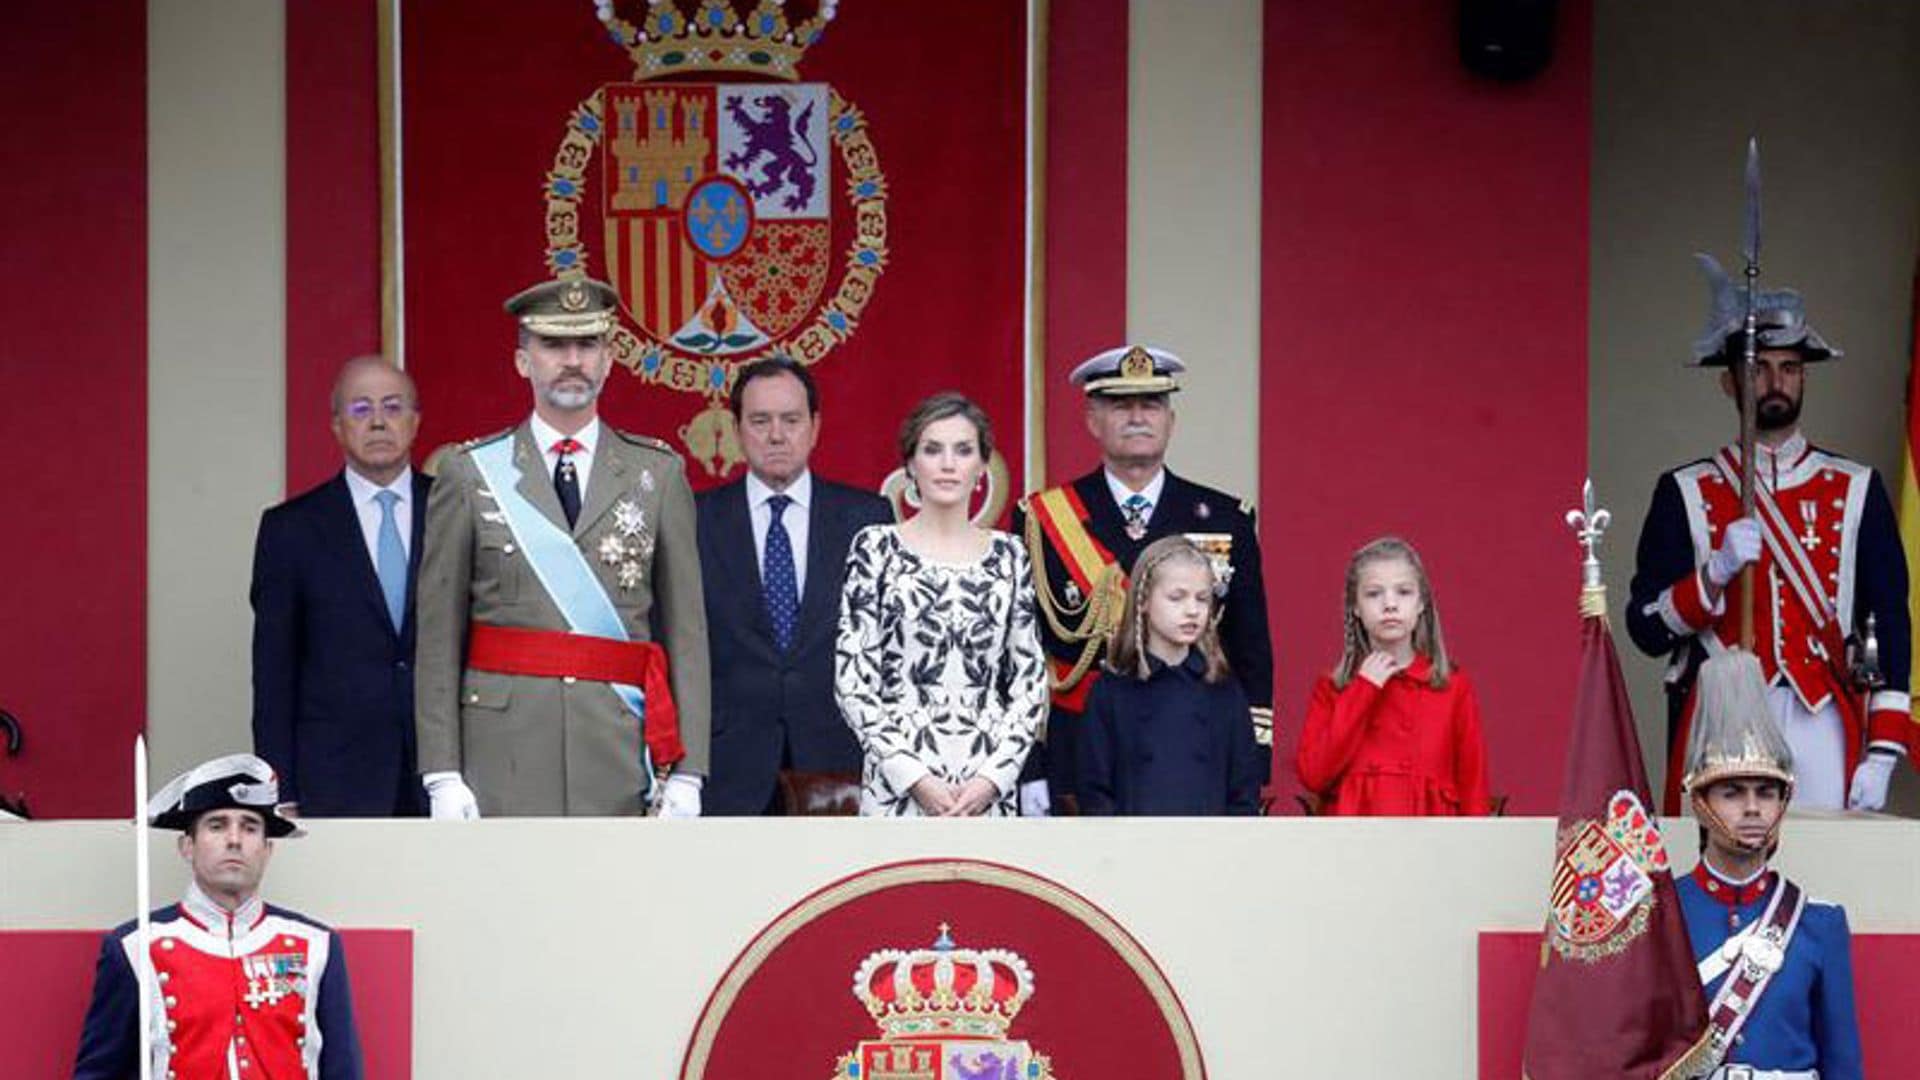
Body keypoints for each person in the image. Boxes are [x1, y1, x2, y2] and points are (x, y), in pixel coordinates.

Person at [413, 277, 710, 818]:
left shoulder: (657, 474)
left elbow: (687, 634)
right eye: (554, 345)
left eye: (588, 344)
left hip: (618, 747)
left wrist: (689, 773)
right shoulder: (470, 472)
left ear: (610, 358)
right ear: (523, 361)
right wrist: (441, 772)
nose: (573, 360)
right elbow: (438, 635)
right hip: (500, 751)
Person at [1627, 255, 1911, 813]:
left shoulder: (1856, 488)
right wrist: (1713, 575)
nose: (1776, 381)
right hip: (1721, 709)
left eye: (1789, 367)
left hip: (1822, 711)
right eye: (1759, 368)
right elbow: (1647, 628)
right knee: (1718, 868)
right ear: (1729, 381)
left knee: (1826, 873)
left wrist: (1883, 747)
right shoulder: (1684, 490)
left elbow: (1892, 619)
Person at [1015, 345, 1274, 814]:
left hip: (1197, 749)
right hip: (1078, 753)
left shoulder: (1224, 517)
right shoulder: (1041, 520)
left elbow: (1249, 649)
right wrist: (1031, 764)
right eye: (1120, 404)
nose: (1137, 417)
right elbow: (1022, 655)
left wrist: (1253, 761)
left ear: (1171, 421)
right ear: (1093, 419)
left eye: (1151, 404)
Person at [73, 754, 364, 1079]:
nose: (235, 839)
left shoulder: (317, 945)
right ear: (187, 846)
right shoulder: (134, 946)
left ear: (268, 850)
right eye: (217, 825)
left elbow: (343, 1070)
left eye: (250, 827)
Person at [834, 392, 1047, 817]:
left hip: (985, 785)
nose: (948, 464)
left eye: (963, 450)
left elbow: (1030, 682)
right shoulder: (875, 547)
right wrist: (914, 777)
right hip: (896, 785)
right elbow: (852, 679)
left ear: (983, 465)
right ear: (910, 464)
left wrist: (994, 777)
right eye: (933, 450)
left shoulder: (1011, 554)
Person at [697, 358, 892, 814]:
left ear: (815, 426)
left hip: (839, 765)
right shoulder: (696, 518)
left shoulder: (868, 518)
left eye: (791, 420)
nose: (777, 435)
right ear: (738, 427)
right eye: (760, 421)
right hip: (727, 766)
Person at [249, 356, 428, 817]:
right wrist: (278, 790)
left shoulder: (456, 509)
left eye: (392, 406)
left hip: (443, 772)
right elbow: (274, 673)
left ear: (415, 420)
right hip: (336, 774)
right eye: (360, 409)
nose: (378, 422)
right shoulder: (291, 529)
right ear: (336, 426)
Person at [1675, 651, 1863, 1078]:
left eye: (1766, 792)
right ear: (1701, 804)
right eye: (1733, 792)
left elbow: (1842, 1063)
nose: (1753, 807)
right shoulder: (1662, 914)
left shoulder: (1819, 923)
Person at [1294, 537, 1490, 816]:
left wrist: (1476, 851)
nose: (1390, 604)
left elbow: (1473, 784)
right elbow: (1314, 774)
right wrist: (1364, 689)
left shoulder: (1451, 686)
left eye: (1403, 592)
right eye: (1374, 594)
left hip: (1431, 842)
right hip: (1354, 841)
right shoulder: (1335, 686)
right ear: (1355, 608)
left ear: (1422, 602)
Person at [1078, 536, 1262, 815]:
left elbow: (1243, 791)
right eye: (1177, 597)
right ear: (1143, 601)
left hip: (1210, 850)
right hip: (1132, 851)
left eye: (1202, 599)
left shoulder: (1224, 691)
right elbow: (1095, 792)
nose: (1192, 610)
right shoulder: (1112, 690)